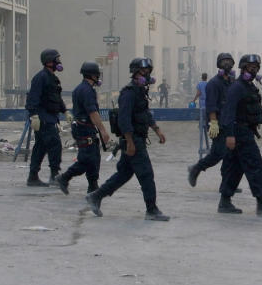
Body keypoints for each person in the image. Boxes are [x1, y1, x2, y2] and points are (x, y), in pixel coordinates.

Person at [83, 58, 170, 221]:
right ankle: (151, 210)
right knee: (146, 174)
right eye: (143, 71)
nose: (147, 74)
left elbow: (145, 114)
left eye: (148, 71)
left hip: (137, 139)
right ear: (135, 73)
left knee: (123, 174)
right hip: (133, 140)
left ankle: (96, 196)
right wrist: (130, 142)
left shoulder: (140, 91)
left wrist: (157, 130)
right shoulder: (128, 93)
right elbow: (124, 120)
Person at [219, 54, 262, 216]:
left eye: (256, 68)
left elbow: (255, 110)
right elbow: (228, 112)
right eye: (250, 67)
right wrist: (230, 135)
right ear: (243, 68)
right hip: (240, 133)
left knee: (235, 169)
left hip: (245, 131)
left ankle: (224, 202)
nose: (253, 70)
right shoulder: (237, 87)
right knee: (255, 165)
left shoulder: (249, 87)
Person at [188, 54, 237, 210]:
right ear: (218, 64)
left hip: (231, 124)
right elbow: (211, 105)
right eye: (224, 61)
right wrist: (213, 122)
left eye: (229, 61)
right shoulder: (213, 84)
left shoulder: (232, 82)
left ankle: (226, 186)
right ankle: (196, 168)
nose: (227, 64)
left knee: (231, 157)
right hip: (219, 124)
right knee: (218, 154)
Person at [57, 62, 112, 196]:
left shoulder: (80, 88)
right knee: (86, 159)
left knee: (93, 158)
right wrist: (103, 131)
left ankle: (93, 187)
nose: (99, 77)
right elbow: (93, 113)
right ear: (93, 75)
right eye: (98, 74)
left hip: (82, 128)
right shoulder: (87, 91)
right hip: (85, 129)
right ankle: (64, 178)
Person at [25, 48, 67, 187]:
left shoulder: (53, 78)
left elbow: (56, 97)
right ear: (49, 62)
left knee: (40, 147)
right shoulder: (41, 77)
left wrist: (65, 111)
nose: (59, 62)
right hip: (43, 119)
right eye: (56, 59)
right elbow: (32, 98)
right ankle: (54, 176)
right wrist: (34, 116)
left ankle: (33, 176)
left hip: (50, 117)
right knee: (55, 145)